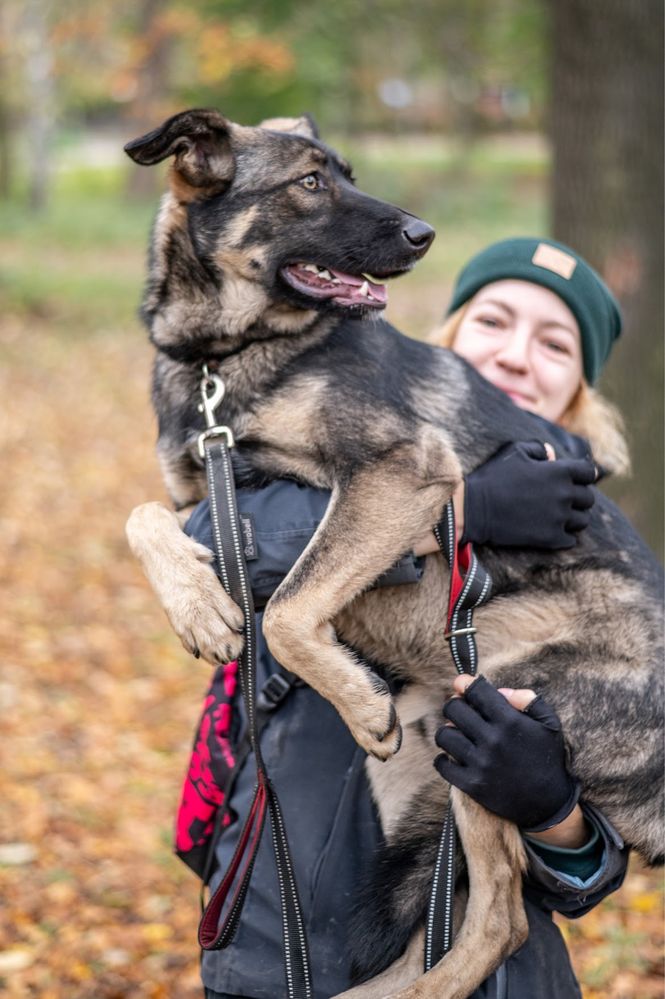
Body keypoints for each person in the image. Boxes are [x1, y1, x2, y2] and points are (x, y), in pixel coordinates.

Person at [183, 238, 631, 999]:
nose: (517, 355)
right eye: (493, 320)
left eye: (555, 343)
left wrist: (550, 807)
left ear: (579, 393)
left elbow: (593, 869)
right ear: (445, 343)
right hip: (275, 953)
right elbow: (216, 546)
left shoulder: (598, 564)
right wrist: (458, 510)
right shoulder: (331, 451)